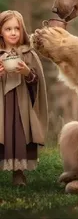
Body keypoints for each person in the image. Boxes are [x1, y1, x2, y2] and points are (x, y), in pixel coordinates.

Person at [0, 10, 48, 186]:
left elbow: (37, 82)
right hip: (1, 105)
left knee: (17, 135)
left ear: (22, 31)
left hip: (21, 105)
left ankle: (18, 173)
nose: (13, 33)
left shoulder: (29, 54)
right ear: (0, 31)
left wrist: (27, 72)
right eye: (8, 29)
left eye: (17, 28)